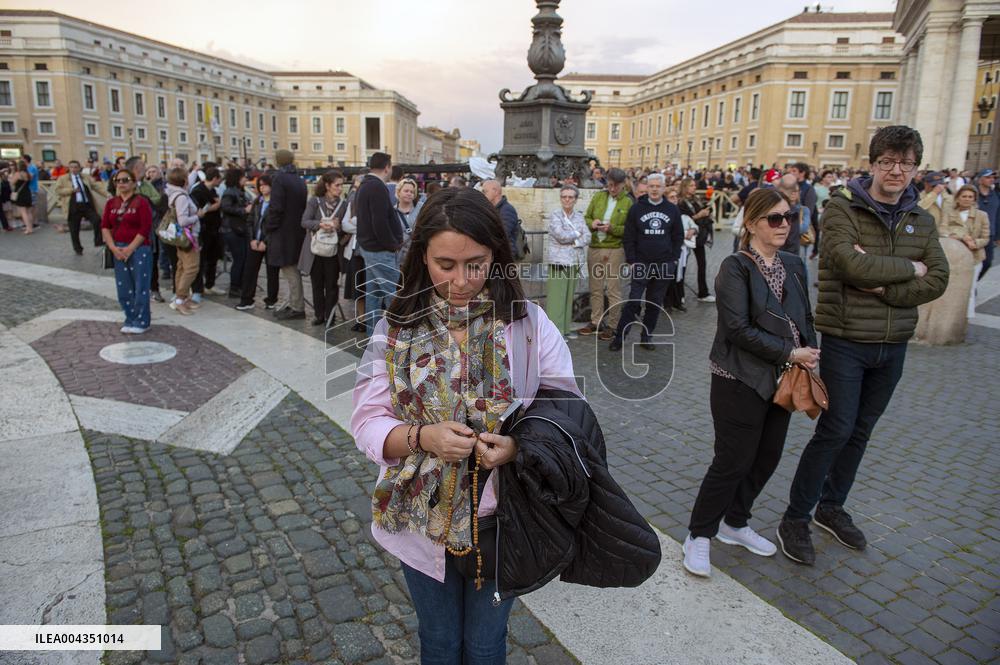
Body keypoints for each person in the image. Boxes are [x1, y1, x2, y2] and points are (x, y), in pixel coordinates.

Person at [351, 186, 579, 664]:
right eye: (445, 265)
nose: (460, 281)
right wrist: (422, 437)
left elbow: (565, 413)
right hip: (417, 521)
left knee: (485, 643)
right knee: (437, 641)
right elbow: (368, 422)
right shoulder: (394, 330)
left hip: (503, 517)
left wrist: (517, 445)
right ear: (422, 259)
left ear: (496, 256)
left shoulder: (530, 327)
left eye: (474, 264)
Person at [778, 126, 949, 566]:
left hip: (893, 344)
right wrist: (909, 267)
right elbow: (847, 263)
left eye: (906, 163)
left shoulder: (922, 219)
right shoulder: (842, 208)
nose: (896, 171)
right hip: (847, 340)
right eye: (887, 162)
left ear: (915, 168)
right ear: (873, 164)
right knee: (834, 430)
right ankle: (795, 518)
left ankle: (831, 508)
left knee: (860, 431)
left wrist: (888, 287)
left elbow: (938, 278)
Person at [683, 188, 819, 577]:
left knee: (768, 456)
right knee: (732, 460)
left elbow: (804, 318)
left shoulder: (794, 263)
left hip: (783, 379)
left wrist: (810, 352)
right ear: (751, 223)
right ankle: (699, 534)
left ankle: (736, 523)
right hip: (738, 378)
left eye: (788, 217)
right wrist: (790, 353)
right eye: (774, 219)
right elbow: (737, 329)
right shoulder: (735, 267)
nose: (783, 225)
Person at [610, 173, 682, 352]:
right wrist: (632, 260)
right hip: (641, 263)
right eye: (651, 186)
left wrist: (673, 258)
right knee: (633, 300)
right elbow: (629, 236)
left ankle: (646, 336)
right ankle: (619, 336)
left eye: (658, 186)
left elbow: (678, 236)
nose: (655, 189)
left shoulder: (672, 209)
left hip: (664, 264)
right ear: (647, 188)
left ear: (664, 188)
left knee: (654, 302)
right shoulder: (636, 208)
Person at [580, 168, 632, 339]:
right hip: (595, 246)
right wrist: (592, 223)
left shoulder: (628, 202)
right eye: (610, 185)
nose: (612, 189)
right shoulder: (599, 196)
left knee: (613, 289)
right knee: (595, 288)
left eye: (616, 186)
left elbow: (630, 230)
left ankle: (613, 324)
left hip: (614, 248)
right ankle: (596, 321)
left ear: (623, 184)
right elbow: (586, 217)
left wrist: (612, 228)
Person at [101, 168, 154, 333]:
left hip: (139, 248)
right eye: (118, 181)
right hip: (118, 247)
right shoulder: (111, 203)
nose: (121, 183)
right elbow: (105, 227)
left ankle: (142, 321)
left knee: (140, 285)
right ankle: (130, 318)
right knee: (123, 287)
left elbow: (145, 228)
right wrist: (113, 247)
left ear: (133, 183)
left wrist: (130, 248)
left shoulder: (141, 202)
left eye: (125, 180)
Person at [356, 151, 402, 335]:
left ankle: (373, 337)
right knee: (393, 295)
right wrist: (392, 243)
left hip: (370, 248)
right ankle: (398, 337)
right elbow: (379, 222)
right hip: (380, 249)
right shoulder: (376, 187)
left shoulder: (365, 185)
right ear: (387, 167)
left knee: (373, 296)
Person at [263, 150, 309, 320]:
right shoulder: (299, 179)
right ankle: (293, 303)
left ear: (278, 161)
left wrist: (269, 227)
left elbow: (276, 207)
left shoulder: (279, 179)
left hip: (282, 231)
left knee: (289, 269)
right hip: (296, 231)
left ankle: (297, 307)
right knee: (292, 267)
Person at [299, 170, 346, 326]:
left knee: (332, 284)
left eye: (341, 185)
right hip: (316, 250)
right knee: (317, 283)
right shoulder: (315, 201)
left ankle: (330, 315)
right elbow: (305, 221)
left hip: (333, 251)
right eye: (337, 185)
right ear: (327, 185)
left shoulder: (343, 204)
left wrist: (338, 227)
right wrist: (319, 224)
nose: (340, 188)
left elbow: (345, 230)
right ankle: (319, 315)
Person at [545, 184, 591, 338]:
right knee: (556, 299)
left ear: (575, 199)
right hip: (559, 262)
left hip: (574, 261)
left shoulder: (579, 216)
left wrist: (575, 240)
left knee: (568, 298)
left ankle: (565, 328)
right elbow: (560, 235)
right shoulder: (555, 215)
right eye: (564, 196)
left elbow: (588, 236)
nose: (567, 200)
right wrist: (578, 233)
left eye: (570, 197)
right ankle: (554, 333)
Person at [941, 185, 990, 318]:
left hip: (974, 258)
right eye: (964, 196)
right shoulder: (948, 212)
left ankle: (965, 319)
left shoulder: (982, 215)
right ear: (957, 198)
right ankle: (948, 316)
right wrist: (962, 236)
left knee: (969, 289)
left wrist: (975, 243)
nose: (967, 199)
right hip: (952, 258)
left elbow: (985, 238)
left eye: (970, 197)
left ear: (974, 199)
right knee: (950, 288)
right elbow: (942, 231)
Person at [236, 174, 280, 312]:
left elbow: (275, 224)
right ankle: (246, 299)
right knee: (250, 271)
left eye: (265, 184)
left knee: (272, 272)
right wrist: (252, 239)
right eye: (260, 185)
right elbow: (250, 222)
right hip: (255, 241)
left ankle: (271, 300)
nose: (262, 187)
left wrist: (265, 241)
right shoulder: (257, 201)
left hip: (270, 242)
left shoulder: (277, 203)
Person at [164, 167, 201, 316]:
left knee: (181, 267)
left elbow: (189, 181)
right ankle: (179, 299)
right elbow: (183, 220)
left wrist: (194, 171)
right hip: (188, 237)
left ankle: (182, 297)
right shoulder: (181, 197)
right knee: (191, 268)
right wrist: (198, 215)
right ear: (183, 181)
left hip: (182, 237)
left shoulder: (174, 192)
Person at [55, 160, 108, 254]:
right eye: (71, 167)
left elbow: (96, 186)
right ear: (69, 168)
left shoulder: (85, 177)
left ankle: (98, 241)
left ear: (79, 168)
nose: (74, 169)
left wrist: (107, 195)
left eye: (76, 167)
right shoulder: (63, 178)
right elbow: (58, 190)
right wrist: (71, 190)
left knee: (97, 220)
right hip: (73, 206)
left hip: (86, 205)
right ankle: (78, 248)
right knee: (74, 229)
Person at [678, 178, 715, 303]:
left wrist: (708, 211)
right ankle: (679, 294)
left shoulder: (696, 199)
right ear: (685, 187)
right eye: (691, 185)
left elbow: (703, 210)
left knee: (702, 264)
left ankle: (703, 292)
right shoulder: (681, 202)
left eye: (694, 185)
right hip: (686, 236)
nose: (694, 187)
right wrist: (700, 215)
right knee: (682, 265)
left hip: (699, 236)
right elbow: (684, 219)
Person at [190, 166, 223, 298]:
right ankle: (197, 287)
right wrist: (213, 207)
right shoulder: (198, 190)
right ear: (214, 178)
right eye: (219, 179)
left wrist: (215, 205)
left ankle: (210, 284)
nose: (220, 181)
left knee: (212, 258)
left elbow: (217, 203)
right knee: (201, 260)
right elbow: (198, 210)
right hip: (203, 229)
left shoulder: (213, 190)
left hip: (214, 229)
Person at [340, 174, 367, 332]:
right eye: (355, 187)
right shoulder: (353, 204)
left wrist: (355, 224)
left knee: (368, 288)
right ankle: (361, 318)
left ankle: (369, 319)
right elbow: (344, 225)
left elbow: (367, 225)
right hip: (354, 250)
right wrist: (359, 225)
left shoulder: (370, 205)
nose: (356, 190)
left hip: (367, 251)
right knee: (357, 288)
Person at [220, 169, 252, 299]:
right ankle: (234, 287)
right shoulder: (230, 192)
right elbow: (226, 207)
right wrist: (244, 210)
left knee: (243, 258)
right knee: (239, 259)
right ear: (237, 178)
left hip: (239, 228)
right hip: (232, 229)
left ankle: (240, 285)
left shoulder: (239, 191)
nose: (245, 179)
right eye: (243, 177)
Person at [480, 179, 520, 259]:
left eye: (485, 191)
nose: (483, 194)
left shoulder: (506, 210)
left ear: (495, 191)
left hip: (505, 255)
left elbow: (503, 233)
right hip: (495, 253)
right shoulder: (491, 208)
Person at [976, 169, 999, 280]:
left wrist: (998, 236)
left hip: (990, 234)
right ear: (980, 180)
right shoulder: (973, 194)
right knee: (973, 262)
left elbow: (998, 215)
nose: (991, 180)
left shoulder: (995, 195)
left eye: (993, 178)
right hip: (974, 234)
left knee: (987, 262)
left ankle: (974, 281)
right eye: (988, 177)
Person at [393, 177, 423, 262]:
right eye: (406, 191)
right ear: (398, 192)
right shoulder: (393, 211)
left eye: (412, 192)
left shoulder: (421, 208)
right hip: (399, 257)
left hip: (417, 254)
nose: (409, 194)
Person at [11, 160, 35, 234]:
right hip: (27, 193)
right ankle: (31, 227)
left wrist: (12, 173)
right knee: (29, 212)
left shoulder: (17, 174)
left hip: (20, 194)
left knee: (23, 212)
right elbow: (30, 181)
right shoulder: (29, 174)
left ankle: (28, 229)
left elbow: (12, 183)